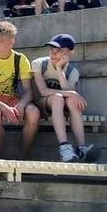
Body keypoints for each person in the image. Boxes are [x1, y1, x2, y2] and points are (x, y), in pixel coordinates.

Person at [0, 20, 39, 159]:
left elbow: (29, 91)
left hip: (12, 98)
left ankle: (24, 156)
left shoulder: (21, 59)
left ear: (11, 42)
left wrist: (21, 104)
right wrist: (3, 108)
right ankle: (3, 156)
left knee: (34, 113)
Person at [31, 34, 92, 162]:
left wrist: (59, 69)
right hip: (40, 104)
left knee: (71, 100)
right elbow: (43, 91)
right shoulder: (39, 64)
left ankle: (81, 148)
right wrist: (72, 93)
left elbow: (68, 92)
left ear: (70, 53)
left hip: (60, 107)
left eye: (59, 50)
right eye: (51, 49)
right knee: (60, 97)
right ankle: (64, 147)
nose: (53, 53)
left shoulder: (72, 72)